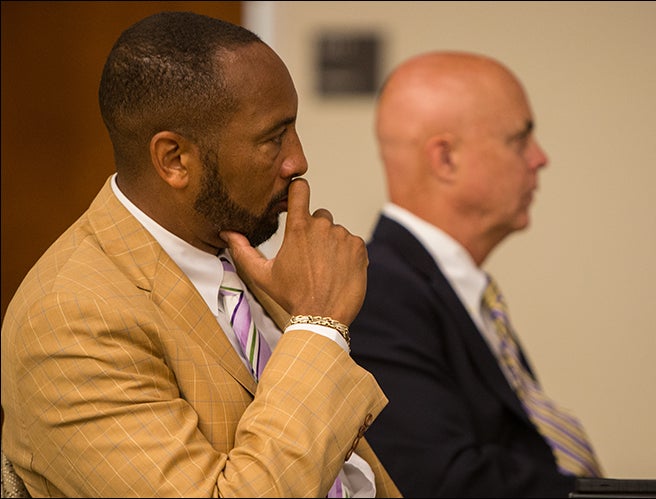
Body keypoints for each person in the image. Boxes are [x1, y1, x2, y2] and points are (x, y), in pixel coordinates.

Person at [0, 11, 401, 498]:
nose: (298, 160)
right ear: (174, 160)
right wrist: (318, 324)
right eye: (273, 138)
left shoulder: (233, 249)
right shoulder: (70, 315)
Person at [350, 51, 604, 498]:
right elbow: (445, 482)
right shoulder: (378, 295)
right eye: (520, 139)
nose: (539, 159)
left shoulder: (451, 289)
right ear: (446, 159)